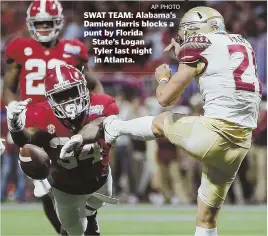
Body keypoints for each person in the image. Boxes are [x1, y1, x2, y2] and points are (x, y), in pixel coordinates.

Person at [103, 6, 262, 236]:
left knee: (161, 121)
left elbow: (165, 98)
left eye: (187, 31)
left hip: (215, 133)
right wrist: (183, 56)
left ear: (197, 28)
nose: (185, 37)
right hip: (241, 142)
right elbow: (214, 67)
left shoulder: (198, 44)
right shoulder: (242, 43)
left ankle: (114, 128)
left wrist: (164, 78)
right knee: (207, 219)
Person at [2, 0, 103, 234]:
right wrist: (13, 109)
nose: (45, 26)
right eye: (40, 23)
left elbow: (93, 84)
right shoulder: (20, 48)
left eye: (49, 22)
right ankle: (65, 231)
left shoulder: (74, 49)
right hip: (34, 124)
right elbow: (8, 87)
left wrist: (100, 113)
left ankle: (85, 222)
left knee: (76, 179)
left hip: (66, 122)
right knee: (44, 185)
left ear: (58, 22)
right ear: (31, 24)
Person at [7, 64, 119, 236]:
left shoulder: (102, 103)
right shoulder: (40, 113)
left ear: (83, 87)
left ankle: (90, 215)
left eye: (72, 92)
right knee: (72, 230)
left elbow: (103, 125)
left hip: (100, 179)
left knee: (92, 210)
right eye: (61, 96)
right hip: (64, 186)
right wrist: (16, 128)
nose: (69, 101)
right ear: (50, 99)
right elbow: (26, 141)